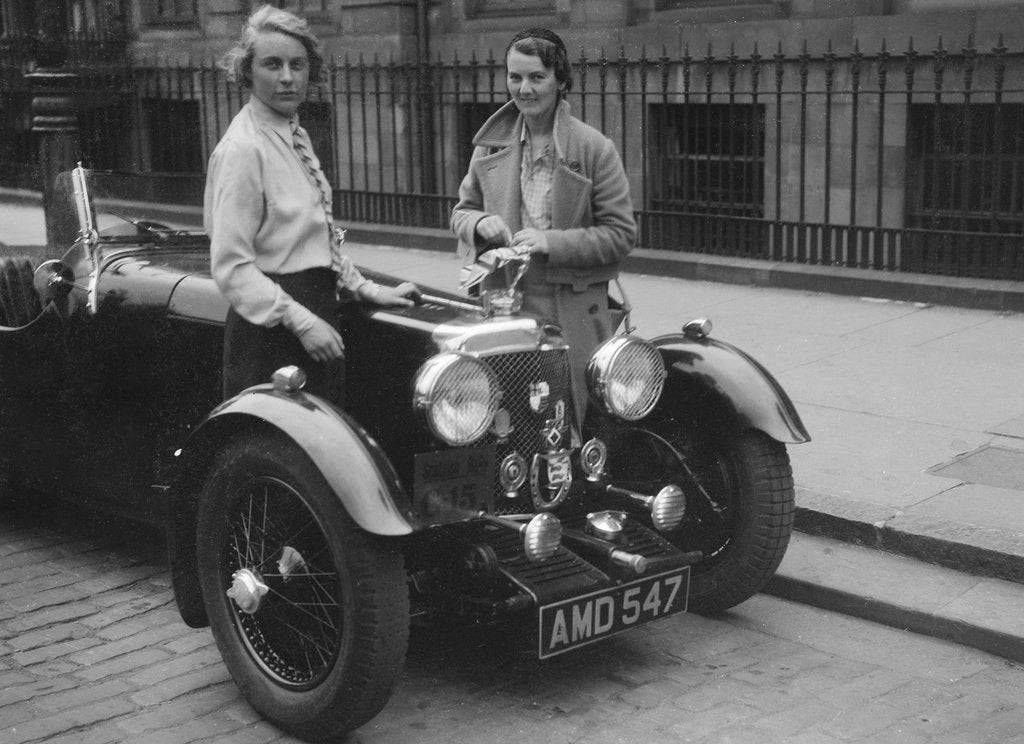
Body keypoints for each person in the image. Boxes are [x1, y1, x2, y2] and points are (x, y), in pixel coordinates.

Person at [204, 4, 417, 405]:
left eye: (297, 65)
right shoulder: (244, 148)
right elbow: (231, 268)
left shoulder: (292, 133)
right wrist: (303, 323)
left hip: (315, 313)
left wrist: (365, 288)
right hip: (271, 333)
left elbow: (314, 238)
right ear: (248, 71)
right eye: (272, 64)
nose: (287, 78)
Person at [451, 27, 637, 424]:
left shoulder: (593, 149)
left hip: (569, 313)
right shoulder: (490, 146)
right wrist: (480, 222)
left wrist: (549, 242)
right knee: (506, 422)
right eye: (515, 77)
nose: (525, 88)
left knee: (571, 425)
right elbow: (461, 213)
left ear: (561, 80)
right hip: (505, 311)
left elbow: (621, 235)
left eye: (537, 77)